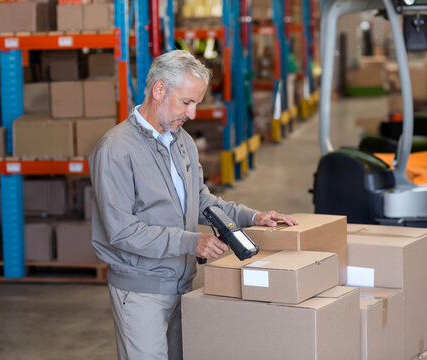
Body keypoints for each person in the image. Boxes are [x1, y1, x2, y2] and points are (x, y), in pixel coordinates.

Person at [89, 50, 298, 360]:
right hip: (141, 292)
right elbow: (122, 232)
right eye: (186, 102)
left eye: (197, 104)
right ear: (159, 90)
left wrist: (252, 216)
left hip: (183, 284)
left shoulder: (182, 141)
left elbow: (201, 201)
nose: (193, 114)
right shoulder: (116, 150)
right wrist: (193, 242)